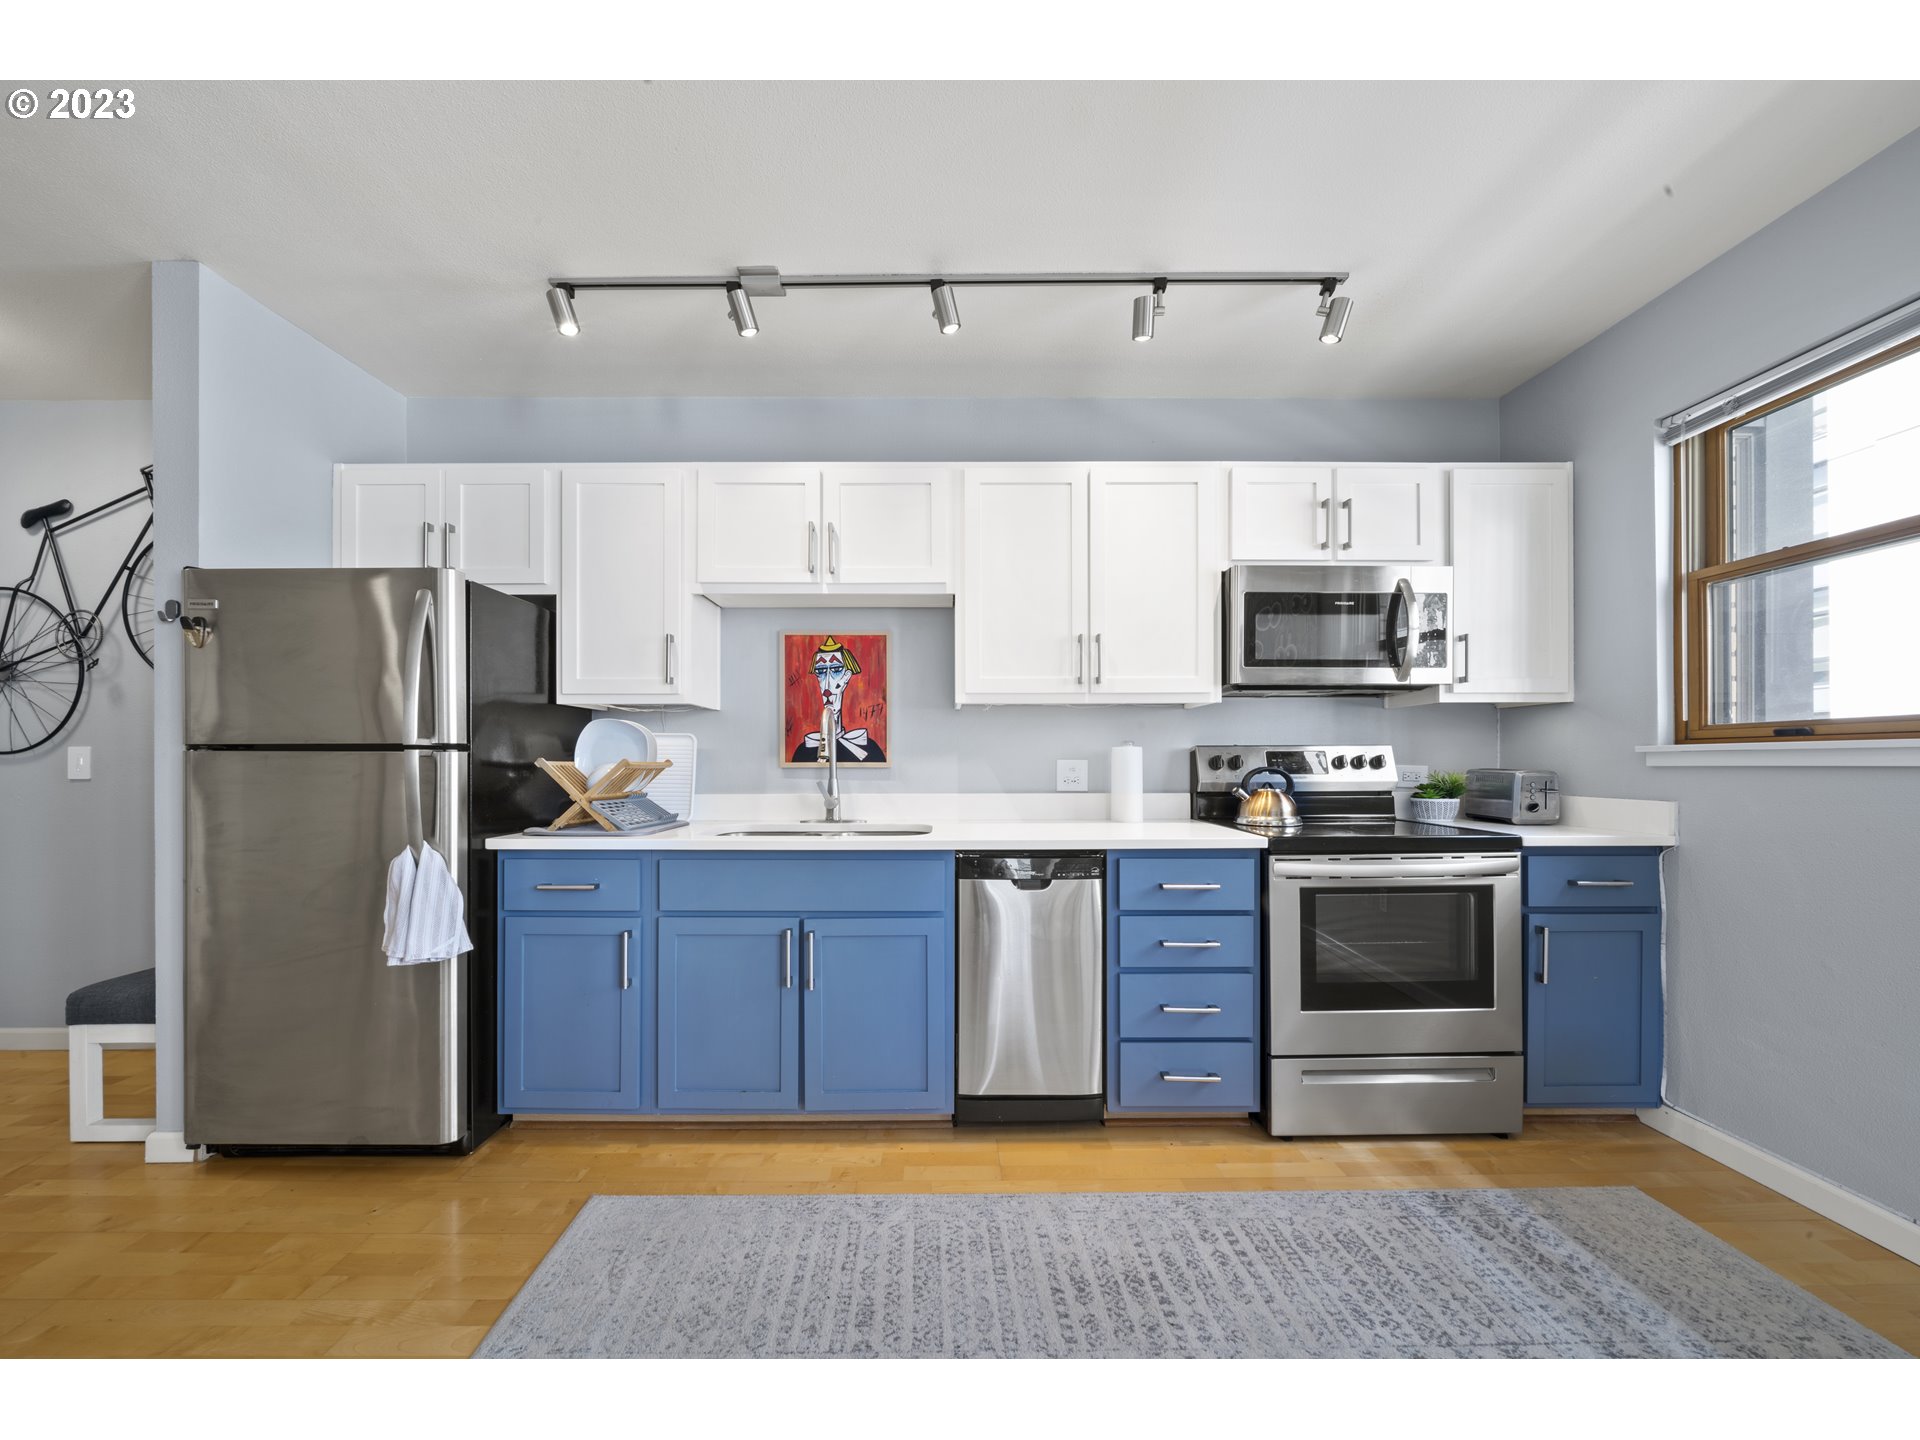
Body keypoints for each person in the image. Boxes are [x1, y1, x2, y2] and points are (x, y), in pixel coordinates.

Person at [790, 635, 885, 763]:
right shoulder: (803, 753)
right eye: (821, 672)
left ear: (846, 677)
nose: (827, 683)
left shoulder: (871, 750)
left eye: (836, 670)